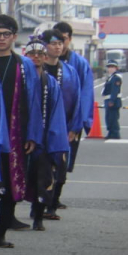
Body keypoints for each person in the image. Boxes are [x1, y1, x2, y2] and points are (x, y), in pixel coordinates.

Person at [0, 15, 43, 247]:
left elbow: (34, 102)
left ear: (14, 37)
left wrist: (32, 135)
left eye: (6, 34)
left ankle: (0, 234)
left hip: (16, 134)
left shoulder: (25, 65)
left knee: (10, 186)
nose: (1, 39)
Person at [23, 37, 70, 231]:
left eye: (40, 54)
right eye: (32, 54)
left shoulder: (49, 82)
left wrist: (55, 138)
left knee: (43, 177)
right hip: (20, 137)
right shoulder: (21, 79)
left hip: (42, 138)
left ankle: (39, 215)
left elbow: (57, 112)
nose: (36, 57)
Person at [40, 30, 84, 219]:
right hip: (40, 128)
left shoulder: (69, 71)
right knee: (41, 170)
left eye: (60, 43)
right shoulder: (36, 69)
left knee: (61, 168)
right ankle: (39, 208)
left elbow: (77, 100)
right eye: (53, 43)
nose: (58, 46)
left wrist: (75, 127)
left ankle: (52, 206)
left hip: (63, 128)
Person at [102, 60, 123, 139]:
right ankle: (110, 133)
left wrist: (112, 101)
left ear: (116, 68)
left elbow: (115, 90)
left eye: (112, 67)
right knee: (109, 118)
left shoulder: (116, 78)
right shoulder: (111, 77)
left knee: (113, 118)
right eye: (109, 67)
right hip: (108, 100)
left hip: (114, 101)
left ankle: (115, 133)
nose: (110, 69)